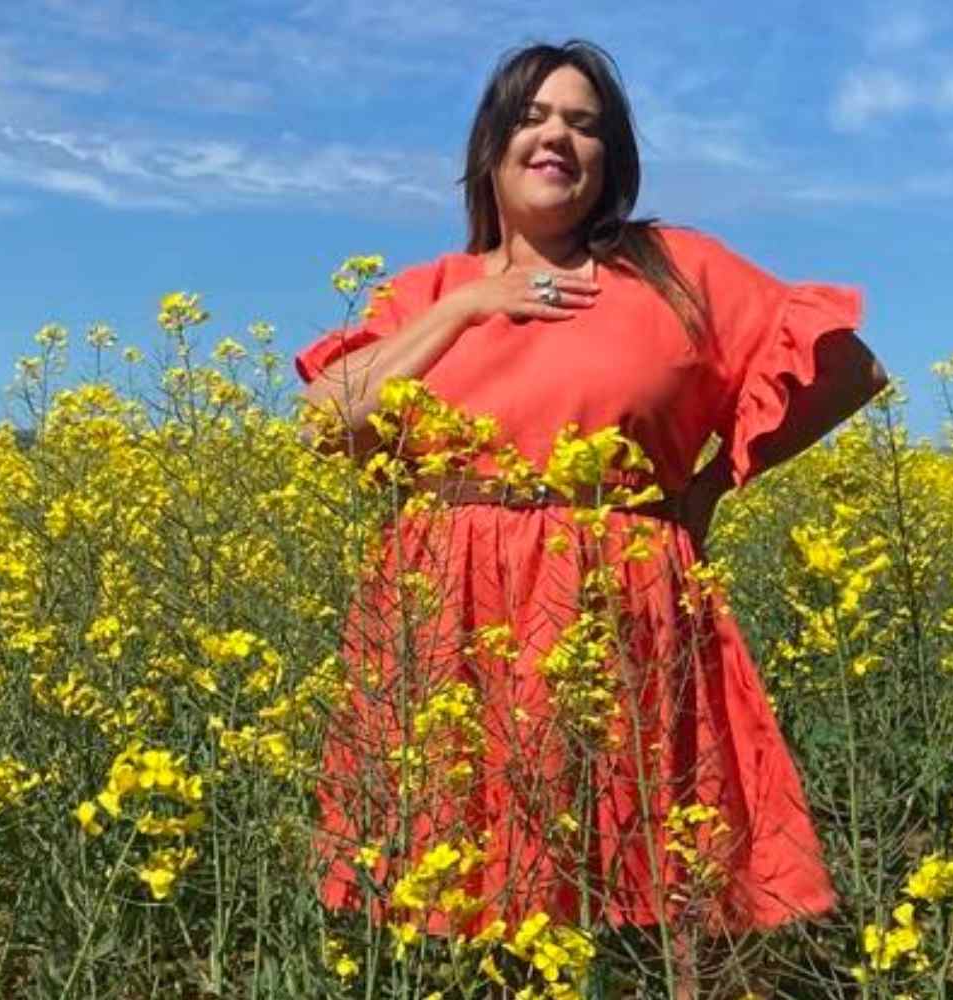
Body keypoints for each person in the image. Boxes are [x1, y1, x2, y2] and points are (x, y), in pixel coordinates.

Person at [294, 38, 888, 991]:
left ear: (612, 159)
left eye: (584, 123)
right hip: (455, 604)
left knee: (654, 859)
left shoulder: (672, 268)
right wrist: (473, 306)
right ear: (492, 144)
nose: (557, 136)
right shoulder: (427, 291)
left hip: (626, 597)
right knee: (459, 873)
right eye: (533, 117)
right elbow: (327, 420)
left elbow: (851, 367)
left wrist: (708, 488)